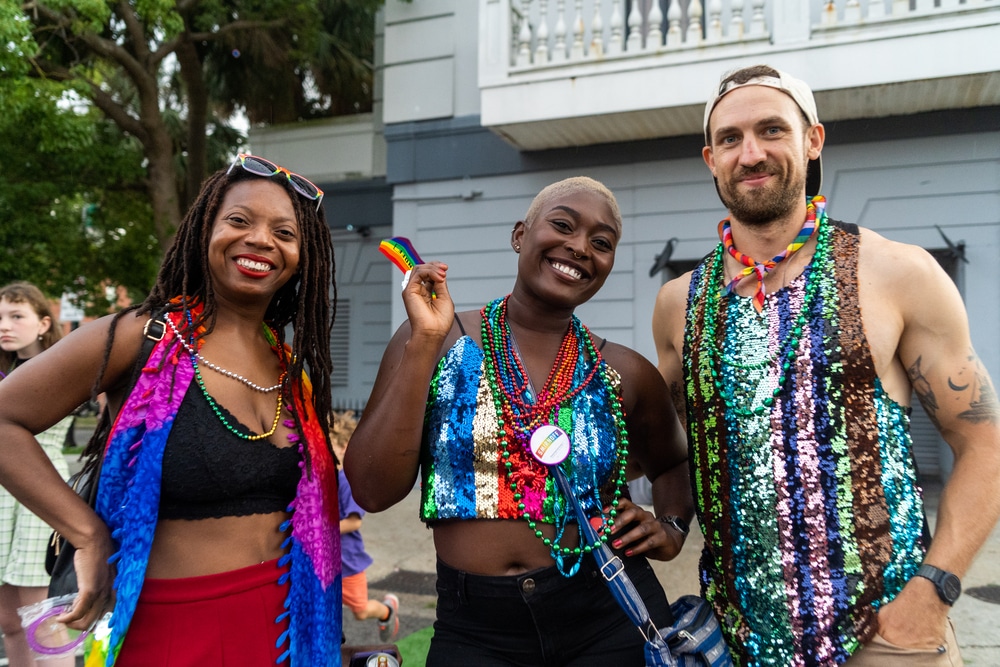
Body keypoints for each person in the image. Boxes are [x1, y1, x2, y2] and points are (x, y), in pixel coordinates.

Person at [652, 64, 1000, 666]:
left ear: (813, 140)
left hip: (885, 639)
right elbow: (674, 447)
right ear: (711, 159)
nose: (751, 153)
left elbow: (985, 443)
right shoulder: (678, 302)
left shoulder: (897, 272)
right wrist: (671, 524)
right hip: (740, 642)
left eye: (772, 130)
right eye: (731, 139)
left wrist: (933, 591)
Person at [0, 154, 342, 666]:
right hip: (170, 631)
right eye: (239, 221)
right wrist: (86, 533)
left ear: (301, 257)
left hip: (286, 631)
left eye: (284, 233)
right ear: (206, 229)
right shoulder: (143, 337)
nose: (261, 240)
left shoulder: (291, 370)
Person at [346, 176, 693, 666]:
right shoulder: (440, 337)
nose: (578, 247)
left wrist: (672, 527)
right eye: (563, 225)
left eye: (601, 243)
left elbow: (674, 463)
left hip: (607, 614)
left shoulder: (624, 371)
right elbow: (372, 491)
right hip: (475, 630)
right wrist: (423, 343)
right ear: (519, 235)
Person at [0, 282, 75, 667]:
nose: (4, 326)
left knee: (41, 617)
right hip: (2, 499)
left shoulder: (59, 367)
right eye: (0, 317)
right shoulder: (5, 369)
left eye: (16, 316)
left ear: (44, 323)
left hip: (38, 493)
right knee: (8, 619)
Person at [329, 413, 400, 643]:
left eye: (330, 446)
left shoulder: (346, 481)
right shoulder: (328, 478)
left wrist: (322, 532)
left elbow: (354, 521)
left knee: (360, 611)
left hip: (348, 561)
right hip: (327, 560)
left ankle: (387, 610)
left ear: (343, 447)